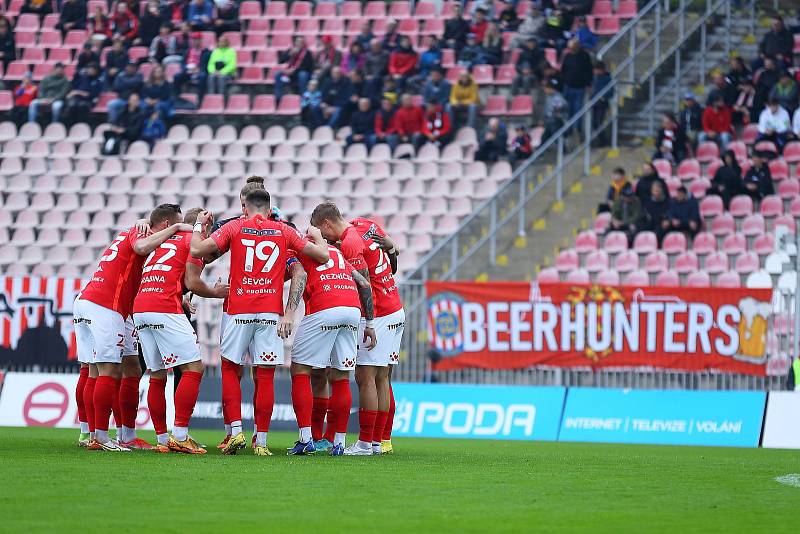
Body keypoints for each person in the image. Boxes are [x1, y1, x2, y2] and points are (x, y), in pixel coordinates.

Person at [190, 190, 330, 456]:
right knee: (264, 375)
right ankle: (262, 443)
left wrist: (198, 223)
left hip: (238, 308)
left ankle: (235, 431)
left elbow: (197, 249)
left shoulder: (235, 226)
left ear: (246, 209)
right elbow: (321, 256)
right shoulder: (284, 231)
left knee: (231, 369)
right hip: (270, 313)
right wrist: (319, 237)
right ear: (268, 210)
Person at [74, 206, 191, 451]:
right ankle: (99, 437)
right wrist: (178, 227)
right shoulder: (140, 234)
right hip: (106, 305)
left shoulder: (137, 230)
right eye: (173, 226)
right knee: (106, 370)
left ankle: (122, 435)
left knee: (128, 367)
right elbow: (139, 248)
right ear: (167, 223)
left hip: (99, 303)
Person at [310, 203, 404, 456]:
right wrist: (393, 250)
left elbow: (363, 286)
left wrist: (370, 323)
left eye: (322, 232)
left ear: (327, 224)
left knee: (365, 378)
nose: (325, 240)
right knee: (383, 378)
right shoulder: (365, 224)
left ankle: (365, 443)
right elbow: (392, 251)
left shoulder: (350, 243)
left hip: (380, 313)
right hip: (395, 306)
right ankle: (380, 441)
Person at [133, 206, 227, 454]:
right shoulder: (192, 242)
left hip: (141, 306)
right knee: (194, 368)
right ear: (200, 226)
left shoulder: (162, 242)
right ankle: (181, 435)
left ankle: (163, 440)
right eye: (208, 226)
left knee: (157, 373)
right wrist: (216, 293)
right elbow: (192, 282)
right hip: (164, 307)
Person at [288, 239, 376, 456]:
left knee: (300, 370)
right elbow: (364, 284)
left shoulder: (299, 248)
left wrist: (289, 312)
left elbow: (300, 275)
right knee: (341, 376)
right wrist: (370, 323)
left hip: (325, 306)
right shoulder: (336, 252)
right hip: (352, 311)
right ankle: (339, 443)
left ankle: (305, 439)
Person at [560, 38, 593, 119]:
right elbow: (563, 69)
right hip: (568, 86)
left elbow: (589, 70)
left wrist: (588, 83)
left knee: (578, 108)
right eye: (570, 48)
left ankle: (577, 128)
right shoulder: (567, 55)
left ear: (577, 46)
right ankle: (568, 127)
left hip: (580, 87)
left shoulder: (585, 56)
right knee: (567, 108)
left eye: (572, 48)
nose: (571, 50)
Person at [172, 31, 210, 100]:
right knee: (177, 76)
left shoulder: (206, 51)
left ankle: (200, 98)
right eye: (194, 39)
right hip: (188, 71)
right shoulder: (188, 51)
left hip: (199, 70)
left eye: (197, 39)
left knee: (203, 76)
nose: (195, 41)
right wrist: (186, 69)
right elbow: (183, 63)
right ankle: (177, 98)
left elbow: (207, 64)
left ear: (201, 40)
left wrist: (199, 69)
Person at [274, 36, 314, 102]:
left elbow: (307, 67)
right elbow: (280, 61)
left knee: (303, 75)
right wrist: (289, 54)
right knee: (277, 73)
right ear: (295, 43)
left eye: (301, 42)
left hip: (300, 73)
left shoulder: (307, 53)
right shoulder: (290, 50)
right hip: (290, 72)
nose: (299, 44)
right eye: (297, 42)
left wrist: (294, 70)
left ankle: (303, 97)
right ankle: (278, 97)